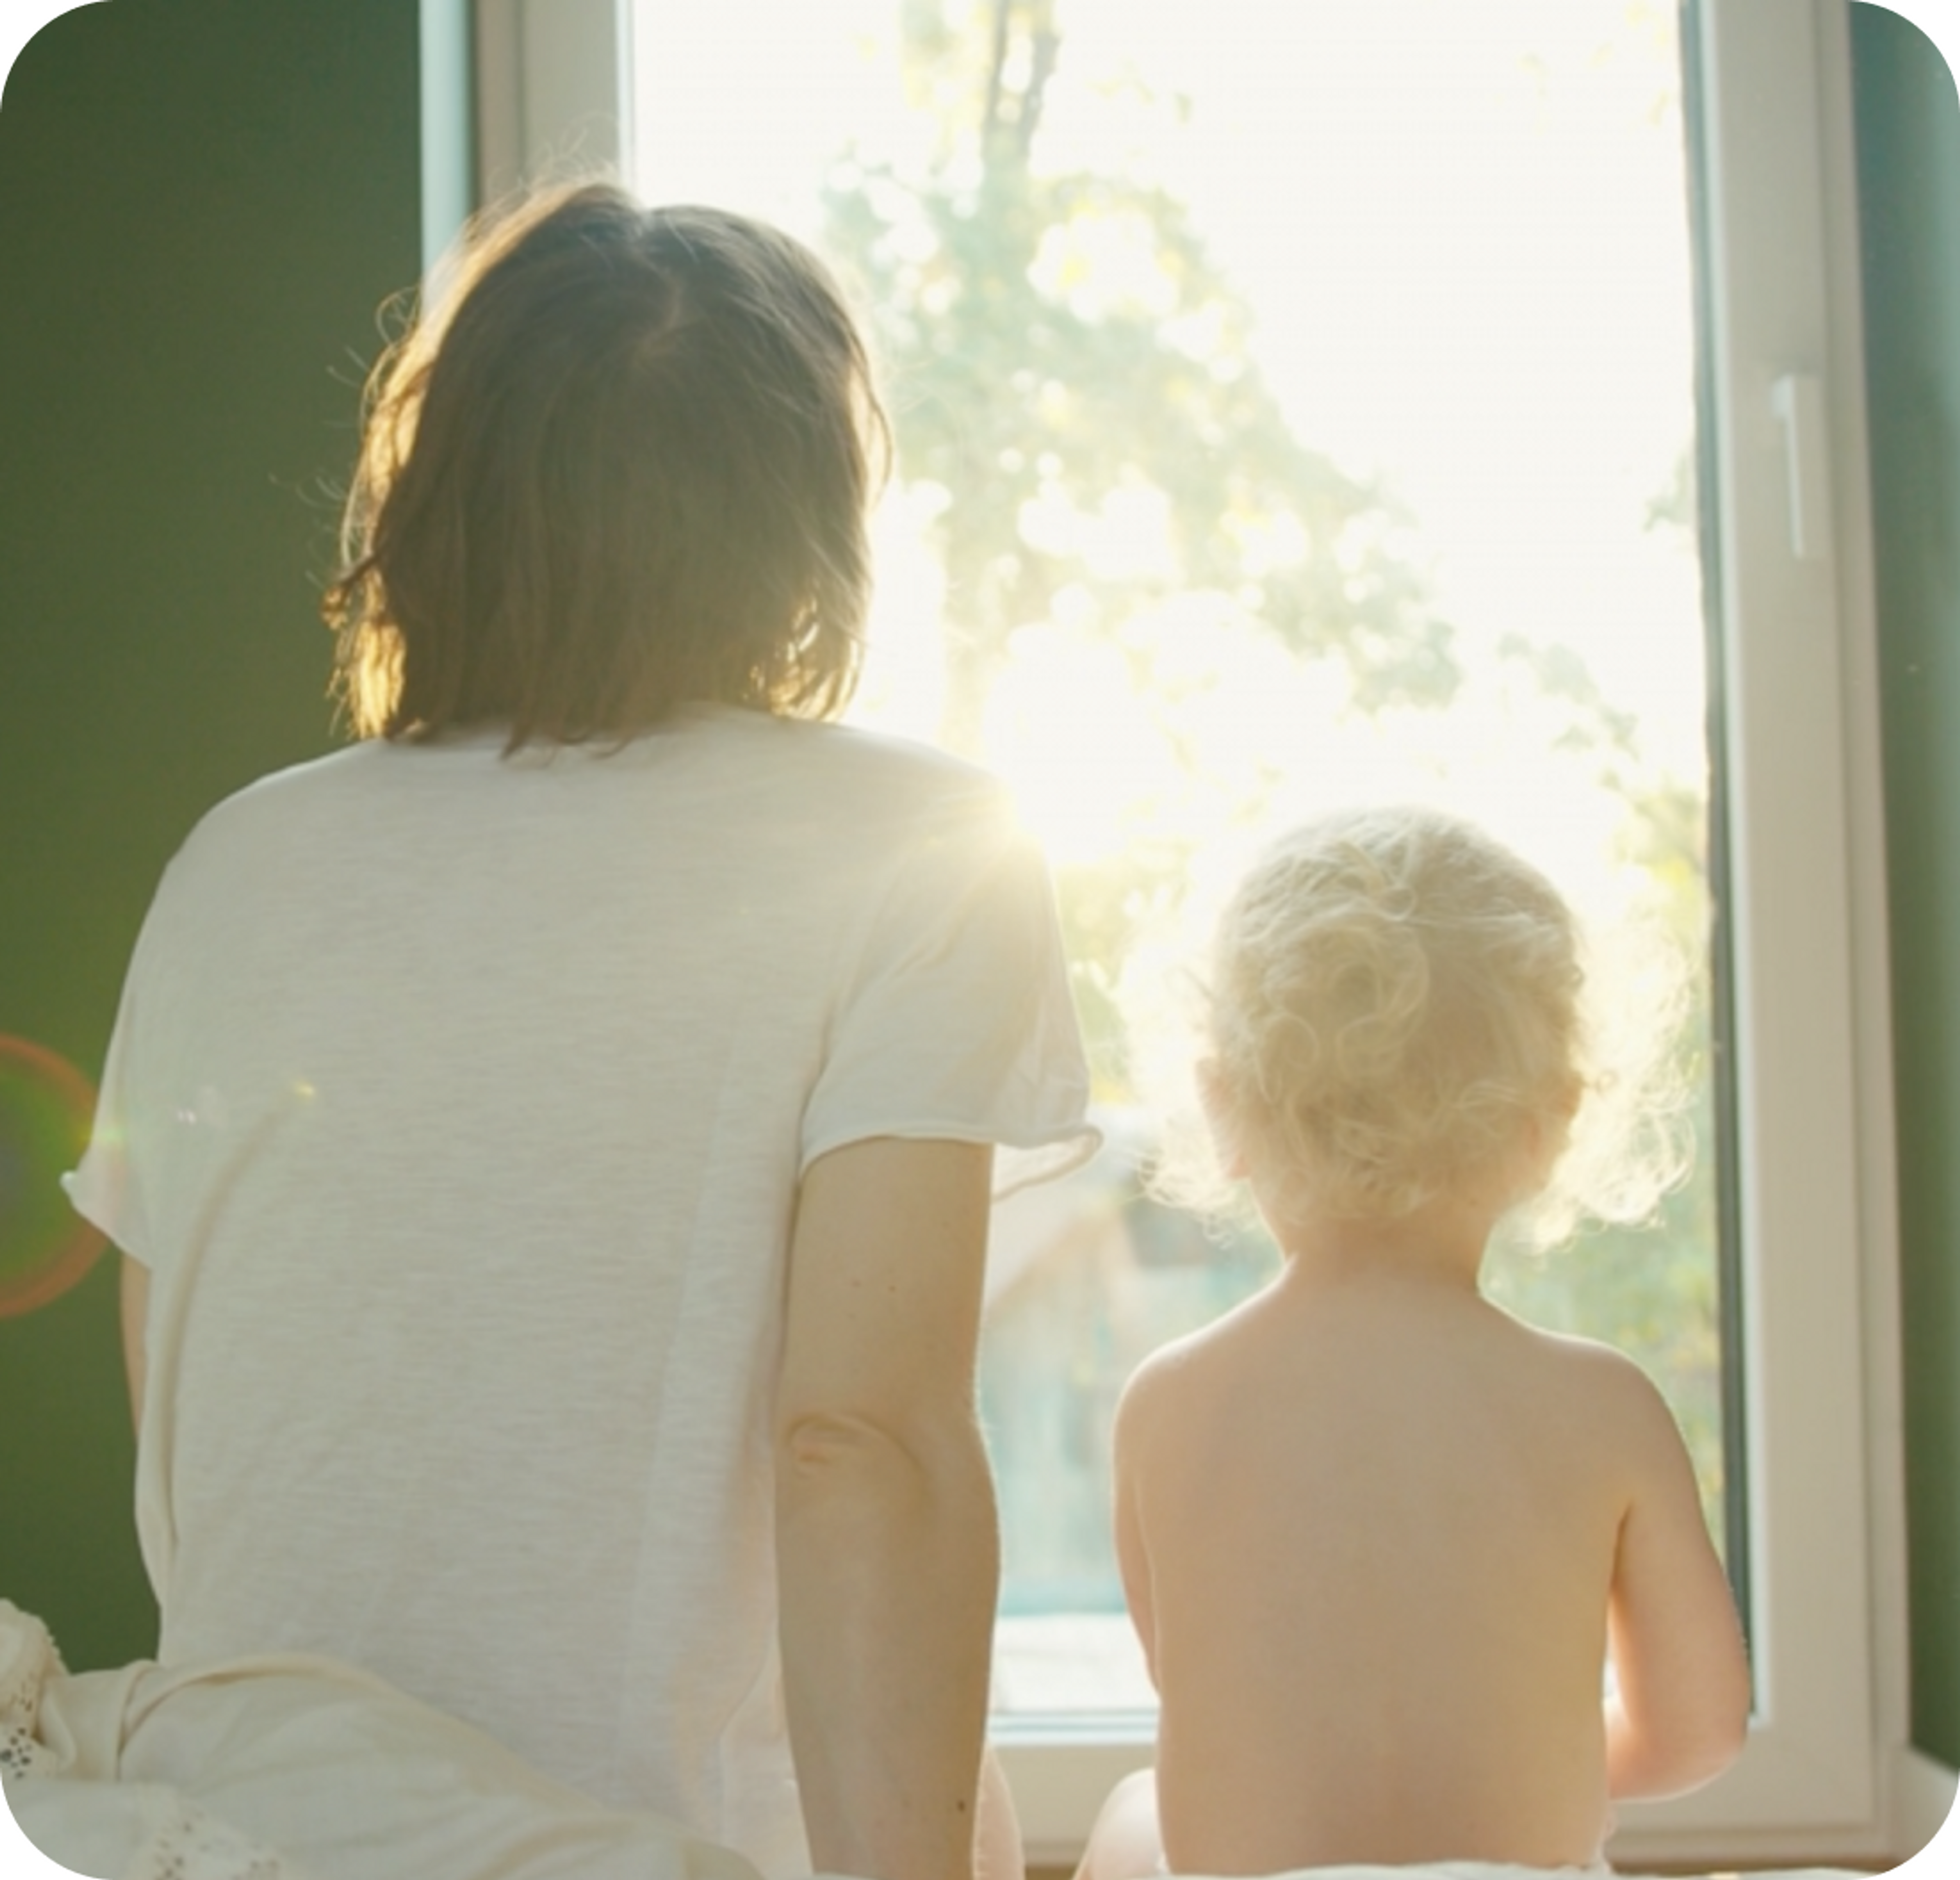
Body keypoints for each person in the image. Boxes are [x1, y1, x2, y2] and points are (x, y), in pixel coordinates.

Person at [64, 182, 1094, 1880]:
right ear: (803, 523)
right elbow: (864, 1446)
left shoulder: (235, 861)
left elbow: (183, 1409)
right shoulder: (923, 845)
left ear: (445, 498)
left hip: (222, 1830)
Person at [1079, 805, 1749, 1878]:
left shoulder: (1170, 1401)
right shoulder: (1604, 1405)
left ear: (1224, 1106)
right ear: (1550, 1124)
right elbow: (1699, 1731)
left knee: (1130, 1810)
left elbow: (1201, 1693)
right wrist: (1557, 1762)